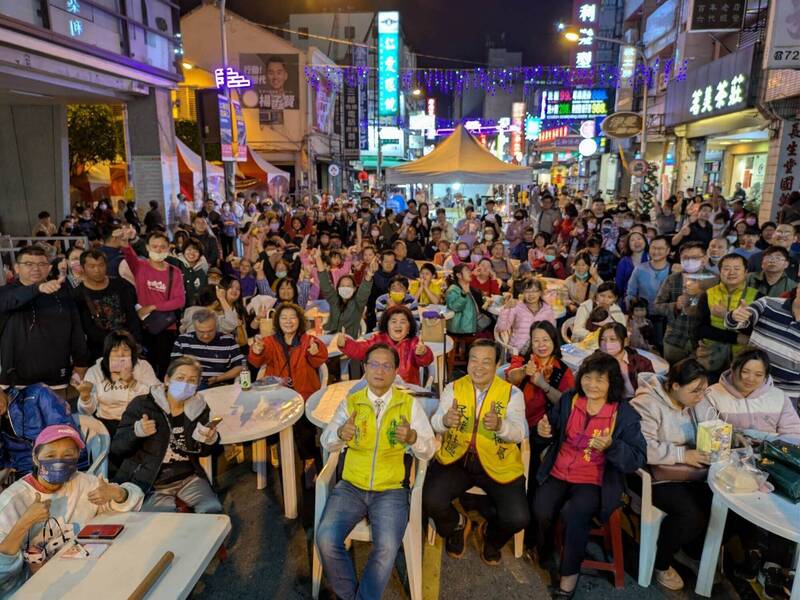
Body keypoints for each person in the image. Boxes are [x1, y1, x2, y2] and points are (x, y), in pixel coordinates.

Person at [316, 343, 434, 599]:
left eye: (386, 365)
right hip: (351, 487)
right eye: (374, 365)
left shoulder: (408, 405)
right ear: (365, 368)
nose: (380, 371)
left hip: (391, 490)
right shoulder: (352, 403)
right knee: (325, 538)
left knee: (387, 547)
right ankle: (350, 595)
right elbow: (326, 441)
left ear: (395, 371)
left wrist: (413, 438)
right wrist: (340, 433)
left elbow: (429, 450)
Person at [534, 352, 646, 598]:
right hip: (559, 470)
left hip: (593, 479)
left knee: (574, 515)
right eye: (587, 377)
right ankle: (545, 550)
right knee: (541, 509)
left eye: (599, 380)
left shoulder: (623, 414)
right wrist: (544, 431)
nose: (591, 384)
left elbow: (637, 457)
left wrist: (612, 446)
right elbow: (550, 427)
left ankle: (568, 579)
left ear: (612, 383)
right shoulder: (570, 400)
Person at [0, 424, 143, 594]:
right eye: (50, 455)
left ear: (76, 458)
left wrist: (118, 493)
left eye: (68, 455)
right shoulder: (12, 502)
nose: (59, 462)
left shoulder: (83, 482)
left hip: (83, 576)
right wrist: (24, 523)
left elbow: (134, 501)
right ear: (36, 458)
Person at [423, 340, 529, 565]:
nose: (479, 367)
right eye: (474, 360)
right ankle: (457, 525)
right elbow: (436, 422)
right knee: (430, 500)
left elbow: (519, 433)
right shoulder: (453, 388)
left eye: (486, 362)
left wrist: (501, 426)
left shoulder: (512, 394)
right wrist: (445, 421)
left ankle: (491, 536)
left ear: (497, 364)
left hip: (498, 460)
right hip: (457, 458)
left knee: (518, 517)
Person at [630, 359, 712, 591]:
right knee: (691, 514)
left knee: (724, 507)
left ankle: (690, 550)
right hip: (655, 475)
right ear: (675, 385)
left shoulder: (697, 403)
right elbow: (643, 448)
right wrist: (682, 454)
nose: (700, 396)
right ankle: (661, 562)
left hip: (692, 472)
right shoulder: (646, 403)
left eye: (703, 390)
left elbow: (709, 427)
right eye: (695, 391)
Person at [112, 356, 222, 513]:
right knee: (164, 523)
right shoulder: (142, 405)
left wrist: (210, 439)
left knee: (212, 510)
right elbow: (117, 448)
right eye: (180, 378)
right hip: (151, 483)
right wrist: (137, 432)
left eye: (192, 380)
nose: (185, 384)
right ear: (167, 380)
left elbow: (204, 451)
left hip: (189, 478)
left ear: (197, 385)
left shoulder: (199, 408)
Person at [248, 303, 328, 483]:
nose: (288, 321)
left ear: (299, 320)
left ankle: (309, 459)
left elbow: (320, 359)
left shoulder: (308, 340)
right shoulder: (269, 342)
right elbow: (256, 361)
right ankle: (275, 446)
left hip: (304, 394)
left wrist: (315, 353)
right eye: (284, 318)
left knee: (303, 424)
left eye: (292, 317)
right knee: (268, 419)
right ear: (278, 321)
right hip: (277, 396)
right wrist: (256, 351)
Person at [0, 245, 88, 389]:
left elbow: (76, 330)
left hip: (57, 379)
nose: (36, 268)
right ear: (16, 268)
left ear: (49, 268)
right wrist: (38, 288)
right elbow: (9, 300)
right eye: (28, 264)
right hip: (15, 382)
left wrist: (81, 362)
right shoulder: (6, 293)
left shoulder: (62, 294)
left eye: (41, 264)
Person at [121, 232, 186, 378]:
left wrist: (153, 306)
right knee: (144, 367)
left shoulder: (174, 271)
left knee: (164, 368)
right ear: (147, 247)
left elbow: (179, 301)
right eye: (154, 246)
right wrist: (125, 241)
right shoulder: (139, 266)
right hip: (143, 325)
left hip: (166, 326)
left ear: (168, 248)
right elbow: (128, 254)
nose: (158, 250)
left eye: (162, 247)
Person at [698, 347, 800, 437]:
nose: (751, 379)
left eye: (758, 375)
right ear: (733, 368)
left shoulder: (779, 398)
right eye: (745, 372)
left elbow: (793, 433)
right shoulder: (712, 395)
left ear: (766, 375)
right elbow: (707, 431)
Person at [77, 330, 159, 438]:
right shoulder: (95, 371)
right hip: (106, 425)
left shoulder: (143, 367)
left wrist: (132, 381)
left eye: (126, 350)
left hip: (138, 422)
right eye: (115, 350)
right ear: (107, 352)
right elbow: (87, 411)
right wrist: (85, 396)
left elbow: (156, 396)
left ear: (132, 352)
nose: (121, 354)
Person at [653, 242, 718, 363]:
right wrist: (675, 306)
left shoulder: (714, 280)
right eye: (685, 258)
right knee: (672, 370)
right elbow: (656, 306)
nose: (689, 261)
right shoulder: (672, 279)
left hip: (702, 342)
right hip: (674, 339)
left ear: (704, 259)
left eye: (694, 258)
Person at [696, 253, 757, 378]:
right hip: (710, 355)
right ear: (720, 272)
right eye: (726, 268)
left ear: (746, 272)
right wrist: (736, 338)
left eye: (737, 268)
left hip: (742, 358)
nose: (731, 272)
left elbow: (756, 331)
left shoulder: (758, 297)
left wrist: (726, 315)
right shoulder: (707, 294)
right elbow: (701, 329)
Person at [338, 305, 433, 386]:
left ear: (409, 328)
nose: (398, 325)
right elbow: (359, 349)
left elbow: (427, 361)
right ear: (387, 325)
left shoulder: (414, 343)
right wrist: (345, 344)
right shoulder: (377, 340)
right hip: (379, 389)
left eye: (403, 322)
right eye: (394, 321)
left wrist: (423, 353)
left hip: (407, 392)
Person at [73, 249, 141, 361]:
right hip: (99, 351)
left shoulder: (122, 285)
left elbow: (132, 315)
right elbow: (85, 327)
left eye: (101, 265)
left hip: (128, 346)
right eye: (92, 266)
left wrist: (135, 341)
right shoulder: (78, 294)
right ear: (83, 268)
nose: (97, 270)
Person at [0, 384, 77, 478]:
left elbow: (66, 435)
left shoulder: (37, 394)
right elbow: (4, 463)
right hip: (25, 475)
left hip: (60, 468)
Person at [170, 309, 243, 389]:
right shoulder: (182, 340)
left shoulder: (228, 340)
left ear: (216, 326)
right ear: (194, 327)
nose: (206, 336)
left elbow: (240, 367)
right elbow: (174, 368)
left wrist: (217, 379)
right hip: (188, 384)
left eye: (210, 331)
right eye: (201, 332)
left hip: (219, 385)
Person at [317, 252, 374, 339]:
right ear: (338, 288)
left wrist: (369, 274)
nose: (345, 288)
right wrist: (317, 257)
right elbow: (325, 283)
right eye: (342, 286)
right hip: (330, 337)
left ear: (354, 288)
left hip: (349, 340)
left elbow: (364, 291)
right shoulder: (334, 300)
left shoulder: (358, 303)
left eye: (348, 286)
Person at [495, 279, 555, 352]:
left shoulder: (547, 310)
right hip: (518, 349)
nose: (531, 295)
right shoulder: (517, 307)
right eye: (527, 291)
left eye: (534, 291)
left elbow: (551, 332)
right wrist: (506, 309)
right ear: (523, 293)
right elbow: (501, 328)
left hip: (540, 348)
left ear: (540, 293)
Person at [597, 322, 654, 399]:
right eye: (603, 339)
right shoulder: (594, 362)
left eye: (612, 339)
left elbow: (651, 391)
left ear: (625, 341)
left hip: (636, 402)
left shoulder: (642, 363)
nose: (607, 343)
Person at [167, 238, 208, 307]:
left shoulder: (202, 274)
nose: (192, 253)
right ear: (183, 251)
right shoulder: (174, 263)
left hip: (192, 310)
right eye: (189, 250)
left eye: (196, 251)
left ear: (200, 255)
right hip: (172, 308)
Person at [445, 264, 482, 335]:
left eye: (469, 270)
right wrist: (463, 294)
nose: (470, 272)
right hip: (460, 330)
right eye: (466, 270)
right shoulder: (453, 289)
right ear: (459, 275)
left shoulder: (469, 287)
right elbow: (454, 307)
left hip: (471, 327)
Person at [615, 232, 649, 304]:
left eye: (639, 238)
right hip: (628, 300)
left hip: (649, 299)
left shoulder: (652, 258)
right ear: (628, 245)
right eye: (632, 240)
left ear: (645, 241)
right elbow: (619, 284)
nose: (636, 241)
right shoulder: (624, 261)